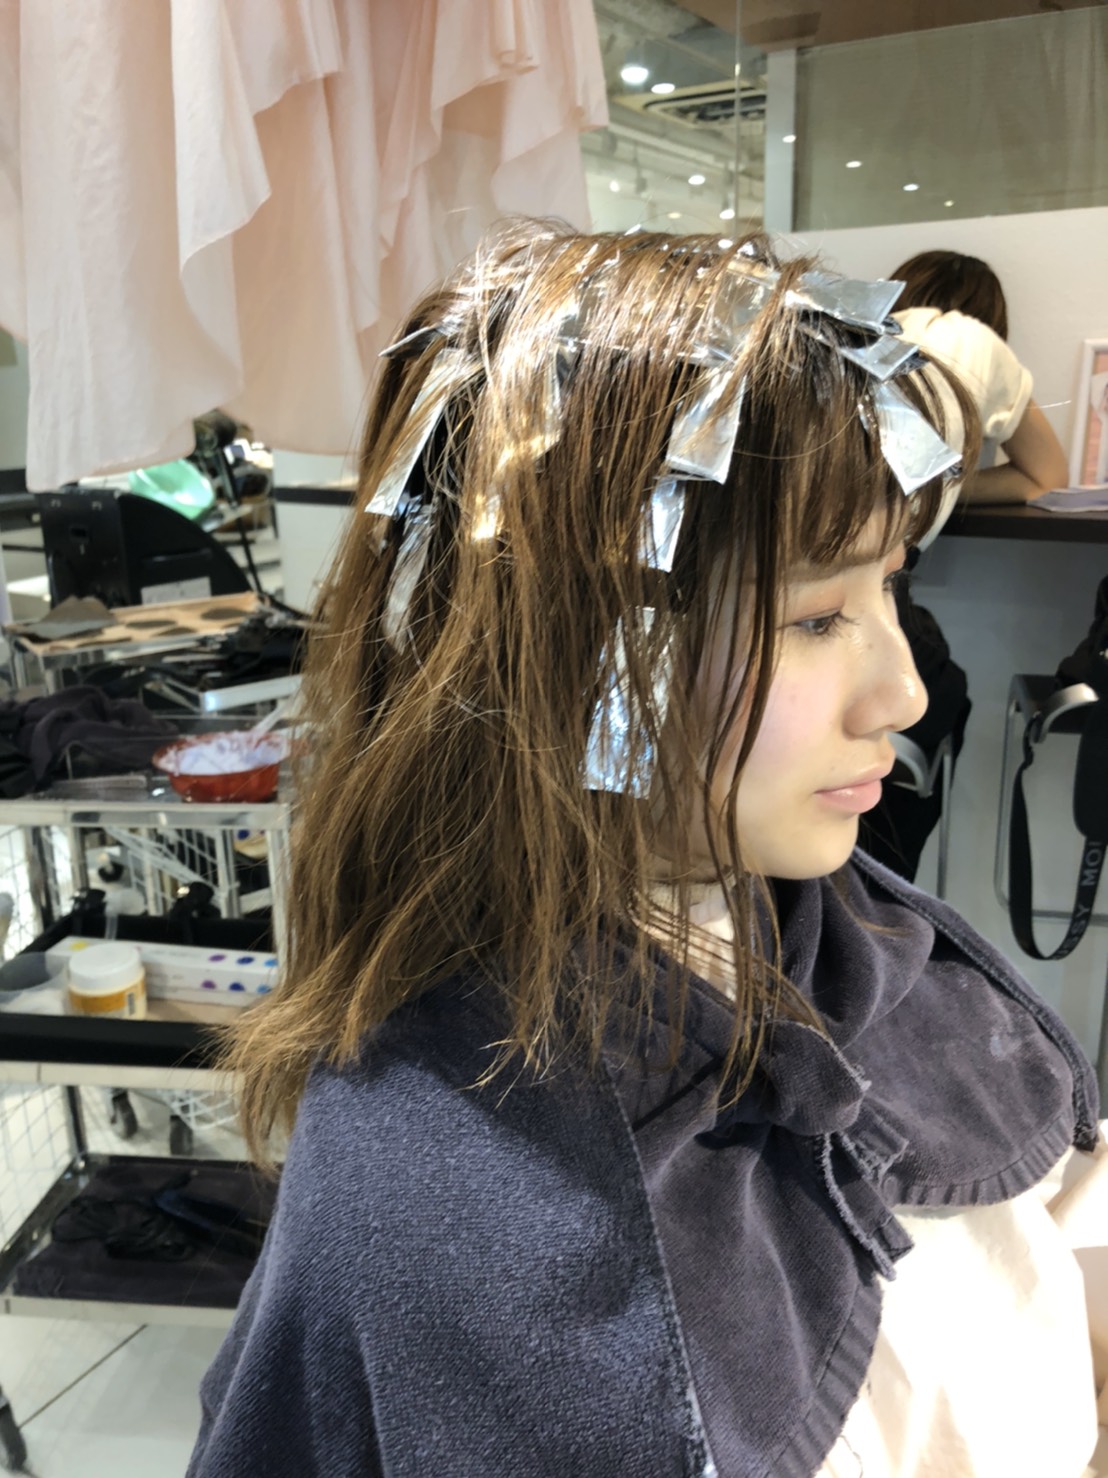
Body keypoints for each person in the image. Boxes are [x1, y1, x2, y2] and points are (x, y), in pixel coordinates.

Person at [187, 224, 1106, 1478]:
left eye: (891, 586)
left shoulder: (878, 948)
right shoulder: (434, 1193)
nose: (900, 691)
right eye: (815, 615)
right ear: (584, 654)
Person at [857, 249, 1069, 881]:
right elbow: (1046, 476)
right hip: (870, 602)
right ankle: (880, 895)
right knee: (935, 690)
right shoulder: (976, 342)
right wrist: (941, 485)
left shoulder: (849, 334)